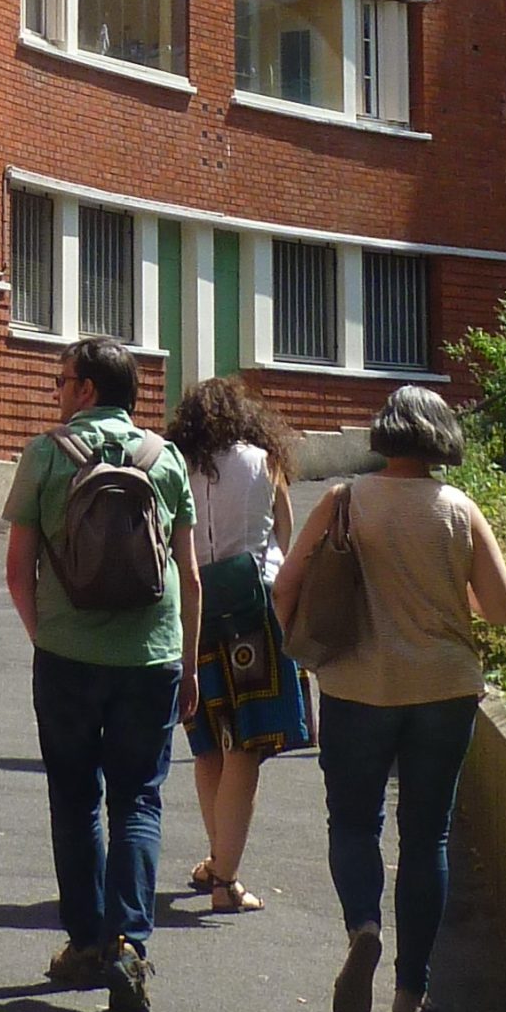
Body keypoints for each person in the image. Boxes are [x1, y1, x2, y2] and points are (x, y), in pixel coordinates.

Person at [274, 385, 506, 1012]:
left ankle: (362, 925)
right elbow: (503, 609)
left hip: (357, 687)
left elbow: (286, 585)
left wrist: (297, 646)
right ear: (441, 438)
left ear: (385, 434)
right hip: (445, 688)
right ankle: (411, 992)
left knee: (354, 823)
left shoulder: (344, 500)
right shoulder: (459, 509)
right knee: (426, 834)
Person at [2, 334, 199, 1012]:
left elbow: (16, 568)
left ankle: (84, 942)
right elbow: (189, 574)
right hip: (153, 655)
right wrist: (191, 662)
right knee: (139, 799)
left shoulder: (45, 456)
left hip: (67, 656)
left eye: (62, 382)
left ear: (85, 388)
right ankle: (128, 945)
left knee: (75, 798)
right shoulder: (164, 458)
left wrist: (44, 636)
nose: (57, 392)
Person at [167, 376, 308, 914]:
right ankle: (225, 880)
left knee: (207, 744)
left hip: (195, 611)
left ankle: (218, 860)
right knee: (246, 744)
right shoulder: (264, 461)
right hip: (255, 613)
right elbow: (284, 541)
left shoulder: (177, 463)